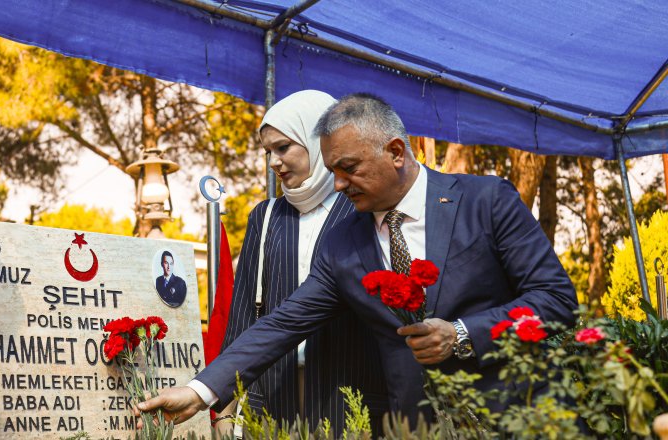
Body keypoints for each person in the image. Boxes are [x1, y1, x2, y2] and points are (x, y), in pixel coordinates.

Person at [136, 93, 578, 426]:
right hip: (415, 427)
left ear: (396, 152)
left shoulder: (486, 201)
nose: (340, 183)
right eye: (332, 170)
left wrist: (462, 333)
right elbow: (282, 323)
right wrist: (200, 391)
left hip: (514, 417)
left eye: (349, 167)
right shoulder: (345, 244)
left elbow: (556, 299)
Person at [211, 90, 385, 435]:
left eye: (283, 147)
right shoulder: (266, 215)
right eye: (268, 152)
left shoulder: (362, 209)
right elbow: (245, 310)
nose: (274, 161)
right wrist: (226, 405)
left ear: (317, 142)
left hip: (350, 388)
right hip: (275, 392)